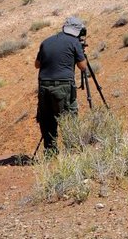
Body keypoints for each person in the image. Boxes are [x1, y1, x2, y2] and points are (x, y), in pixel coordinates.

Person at [34, 15, 87, 154]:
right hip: (63, 87)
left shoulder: (46, 41)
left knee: (47, 119)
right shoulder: (74, 43)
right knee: (69, 118)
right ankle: (73, 151)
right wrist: (80, 52)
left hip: (44, 86)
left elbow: (37, 64)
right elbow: (82, 67)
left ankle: (50, 152)